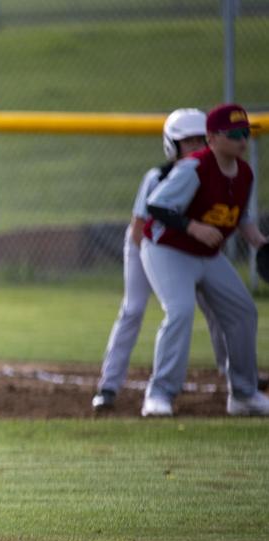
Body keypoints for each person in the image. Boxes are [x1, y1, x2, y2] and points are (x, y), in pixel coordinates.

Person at [91, 108, 228, 412]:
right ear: (172, 145)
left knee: (216, 304)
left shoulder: (212, 178)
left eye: (199, 141)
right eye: (187, 141)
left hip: (186, 249)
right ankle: (108, 386)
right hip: (145, 248)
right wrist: (162, 273)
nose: (195, 148)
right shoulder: (158, 177)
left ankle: (233, 374)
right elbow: (140, 230)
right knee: (133, 309)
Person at [140, 103, 269, 417]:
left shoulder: (245, 173)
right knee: (180, 310)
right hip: (167, 249)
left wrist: (259, 241)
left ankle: (243, 394)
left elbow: (242, 218)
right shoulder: (193, 168)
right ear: (212, 138)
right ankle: (159, 395)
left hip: (207, 255)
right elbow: (156, 206)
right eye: (235, 134)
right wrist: (193, 227)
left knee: (243, 312)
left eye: (246, 133)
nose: (242, 140)